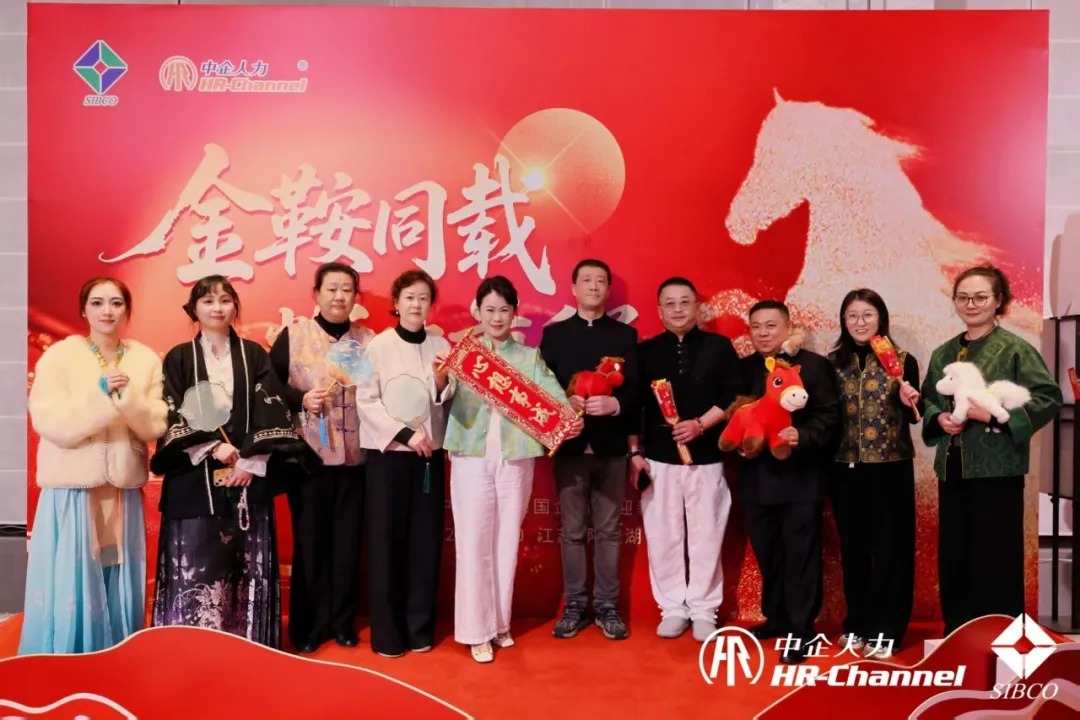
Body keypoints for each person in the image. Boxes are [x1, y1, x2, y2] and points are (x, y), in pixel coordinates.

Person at [151, 275, 318, 649]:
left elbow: (272, 408)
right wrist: (212, 447)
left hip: (247, 477)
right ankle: (190, 648)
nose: (217, 308)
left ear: (235, 307)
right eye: (208, 301)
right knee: (196, 562)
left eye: (225, 300)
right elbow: (170, 412)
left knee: (244, 566)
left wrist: (250, 460)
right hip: (193, 479)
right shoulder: (179, 357)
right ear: (194, 309)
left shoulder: (253, 355)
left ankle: (248, 648)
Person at [20, 277, 167, 655]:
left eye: (116, 303)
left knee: (117, 568)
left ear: (127, 310)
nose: (107, 311)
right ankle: (66, 652)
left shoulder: (144, 359)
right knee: (73, 573)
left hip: (121, 486)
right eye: (98, 303)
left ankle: (116, 652)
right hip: (72, 484)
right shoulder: (60, 356)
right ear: (83, 310)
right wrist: (99, 397)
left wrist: (127, 398)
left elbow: (155, 424)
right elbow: (49, 421)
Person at [444, 276, 583, 663]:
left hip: (516, 457)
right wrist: (441, 378)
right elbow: (444, 392)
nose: (496, 317)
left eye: (504, 310)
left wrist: (568, 417)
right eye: (489, 309)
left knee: (507, 541)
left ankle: (499, 622)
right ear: (477, 312)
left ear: (514, 313)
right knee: (473, 541)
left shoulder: (529, 357)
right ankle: (476, 631)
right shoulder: (465, 354)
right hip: (470, 456)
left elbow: (553, 396)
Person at [920, 265, 1061, 636]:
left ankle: (1000, 640)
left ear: (998, 301)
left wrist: (994, 418)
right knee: (955, 556)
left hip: (998, 471)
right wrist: (939, 418)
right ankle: (958, 636)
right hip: (952, 469)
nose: (971, 304)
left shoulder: (1015, 349)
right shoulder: (944, 352)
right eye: (964, 297)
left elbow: (1048, 397)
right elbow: (930, 399)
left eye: (981, 297)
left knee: (995, 558)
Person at [270, 262, 375, 653]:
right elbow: (269, 389)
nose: (339, 297)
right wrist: (301, 399)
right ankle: (308, 627)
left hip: (356, 462)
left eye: (347, 289)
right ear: (316, 294)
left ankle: (343, 623)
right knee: (311, 546)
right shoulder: (294, 336)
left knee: (348, 546)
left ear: (356, 297)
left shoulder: (367, 341)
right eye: (331, 289)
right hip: (308, 461)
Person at [630, 277, 741, 642]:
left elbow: (734, 396)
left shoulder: (719, 347)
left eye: (685, 302)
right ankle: (673, 608)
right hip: (659, 459)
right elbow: (635, 408)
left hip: (706, 456)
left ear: (697, 308)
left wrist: (700, 425)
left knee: (707, 533)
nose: (678, 309)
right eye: (670, 303)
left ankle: (704, 609)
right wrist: (635, 453)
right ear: (660, 311)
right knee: (663, 535)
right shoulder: (646, 352)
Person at [355, 269, 453, 658]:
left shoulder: (441, 344)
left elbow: (446, 398)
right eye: (409, 297)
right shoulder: (376, 347)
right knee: (386, 545)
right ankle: (388, 635)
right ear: (396, 303)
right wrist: (404, 434)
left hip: (429, 457)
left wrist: (442, 381)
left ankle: (419, 628)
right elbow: (365, 399)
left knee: (425, 544)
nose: (416, 304)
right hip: (388, 459)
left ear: (431, 305)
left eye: (423, 298)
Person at [540, 258, 639, 640]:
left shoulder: (625, 336)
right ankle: (575, 607)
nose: (593, 286)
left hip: (611, 448)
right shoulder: (554, 335)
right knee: (572, 532)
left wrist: (615, 405)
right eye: (586, 280)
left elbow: (636, 390)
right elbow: (543, 387)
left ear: (608, 289)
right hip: (569, 448)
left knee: (610, 531)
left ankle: (608, 608)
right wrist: (563, 404)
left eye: (600, 281)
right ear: (573, 288)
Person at [735, 300, 840, 664]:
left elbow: (829, 417)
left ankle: (801, 630)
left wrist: (803, 436)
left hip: (801, 479)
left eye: (771, 326)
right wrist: (738, 443)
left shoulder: (813, 366)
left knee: (801, 555)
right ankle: (777, 617)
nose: (763, 333)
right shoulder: (743, 369)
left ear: (788, 327)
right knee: (768, 553)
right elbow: (736, 416)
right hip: (756, 480)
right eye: (756, 327)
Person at [827, 289, 919, 658]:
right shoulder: (833, 363)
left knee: (891, 550)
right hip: (845, 470)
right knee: (854, 550)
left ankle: (888, 629)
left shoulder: (904, 361)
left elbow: (917, 415)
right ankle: (858, 625)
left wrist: (910, 400)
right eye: (852, 315)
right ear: (843, 321)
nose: (860, 322)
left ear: (881, 318)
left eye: (867, 314)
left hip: (891, 469)